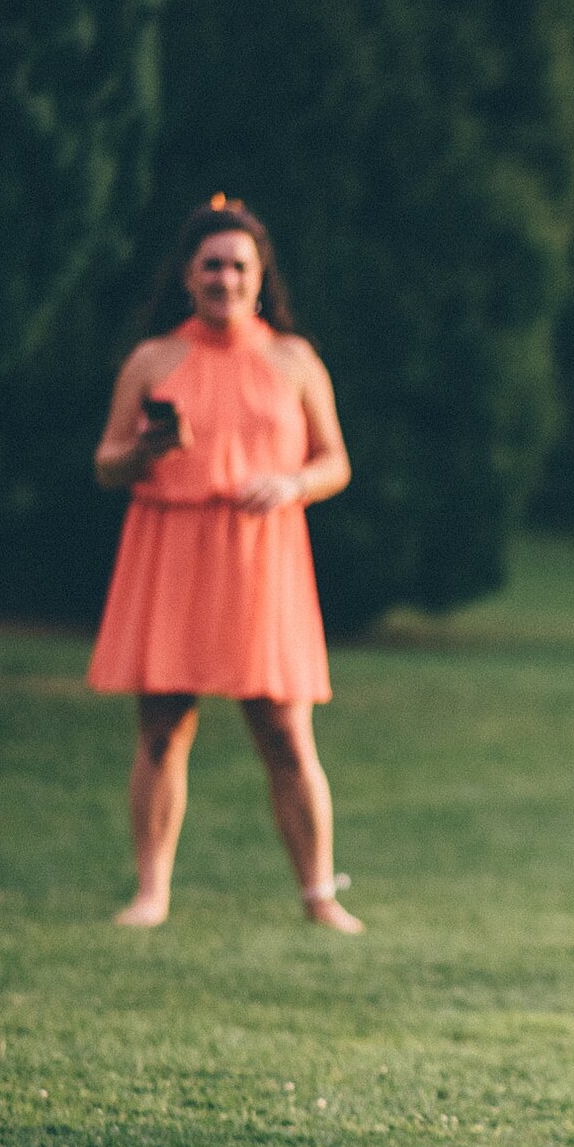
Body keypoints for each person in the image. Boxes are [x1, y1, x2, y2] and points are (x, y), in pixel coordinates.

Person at [86, 196, 363, 933]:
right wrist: (144, 452)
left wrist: (293, 483)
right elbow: (106, 465)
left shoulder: (293, 359)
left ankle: (319, 896)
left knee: (285, 733)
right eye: (212, 265)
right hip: (171, 548)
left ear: (259, 275)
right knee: (163, 728)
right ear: (188, 275)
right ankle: (151, 891)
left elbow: (334, 460)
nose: (226, 278)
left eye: (239, 266)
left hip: (262, 555)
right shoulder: (153, 359)